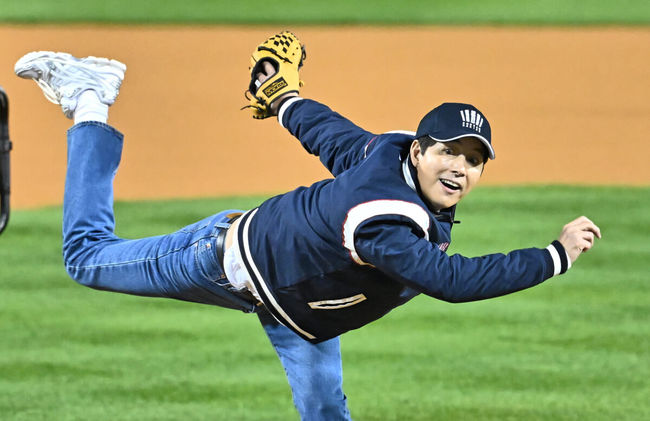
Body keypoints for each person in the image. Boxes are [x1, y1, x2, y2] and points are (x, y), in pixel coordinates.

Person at [15, 37, 600, 420]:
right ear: (420, 151)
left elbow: (332, 135)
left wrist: (286, 99)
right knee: (87, 258)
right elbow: (452, 280)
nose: (461, 169)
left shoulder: (387, 155)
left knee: (325, 415)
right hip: (223, 261)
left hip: (305, 314)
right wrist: (554, 255)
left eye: (474, 160)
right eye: (451, 153)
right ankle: (89, 95)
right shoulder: (385, 223)